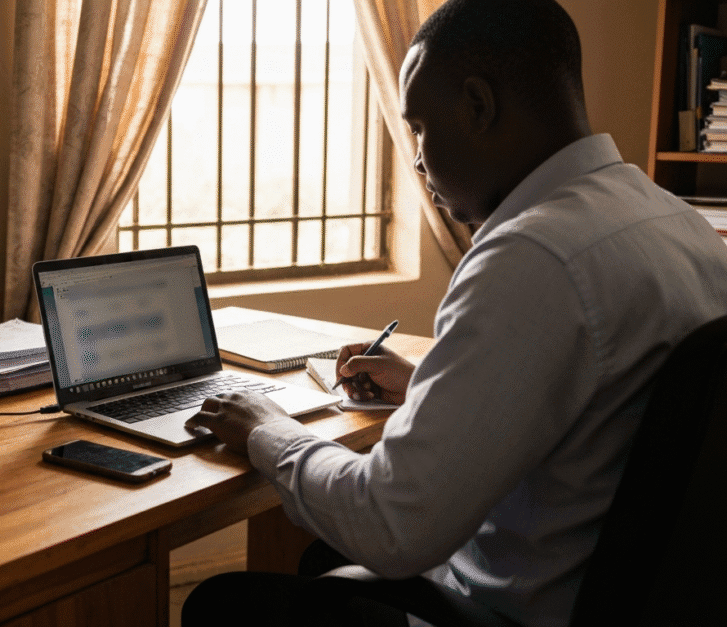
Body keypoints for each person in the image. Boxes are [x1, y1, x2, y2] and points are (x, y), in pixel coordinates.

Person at [180, 0, 727, 626]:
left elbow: (391, 525)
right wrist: (428, 387)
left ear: (477, 106)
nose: (415, 158)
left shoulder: (531, 254)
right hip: (627, 593)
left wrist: (265, 426)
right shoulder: (676, 220)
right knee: (318, 564)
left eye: (418, 126)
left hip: (505, 607)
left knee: (223, 605)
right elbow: (613, 413)